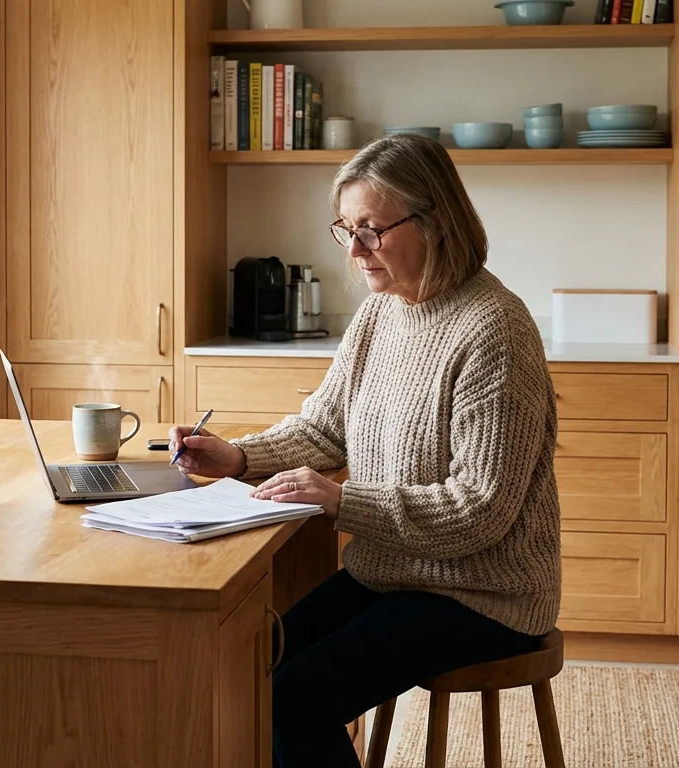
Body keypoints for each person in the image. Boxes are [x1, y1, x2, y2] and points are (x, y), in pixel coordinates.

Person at [169, 133, 561, 768]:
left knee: (295, 699)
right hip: (390, 573)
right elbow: (325, 429)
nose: (354, 251)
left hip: (483, 594)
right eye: (344, 230)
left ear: (435, 221)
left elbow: (480, 509)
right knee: (248, 662)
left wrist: (342, 501)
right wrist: (236, 458)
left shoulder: (496, 328)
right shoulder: (380, 314)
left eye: (371, 230)